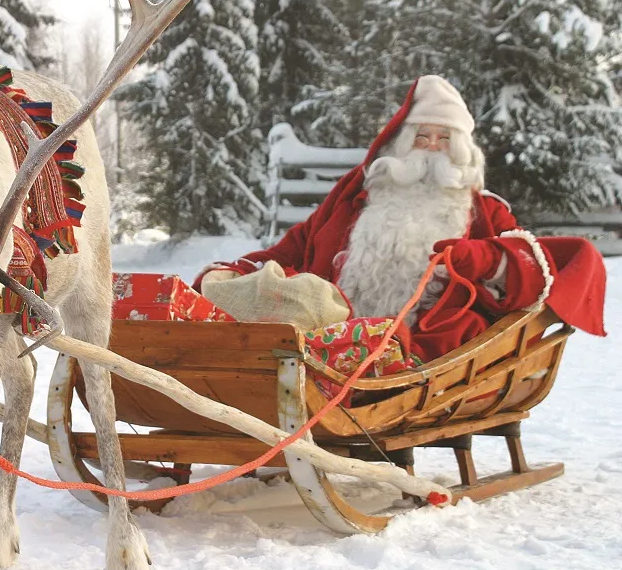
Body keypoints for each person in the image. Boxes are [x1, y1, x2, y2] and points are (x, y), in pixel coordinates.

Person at [196, 75, 607, 363]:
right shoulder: (357, 195)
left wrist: (479, 257)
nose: (431, 148)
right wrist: (239, 272)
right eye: (421, 137)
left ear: (462, 148)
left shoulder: (483, 209)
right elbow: (298, 245)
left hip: (424, 347)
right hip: (326, 337)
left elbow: (527, 267)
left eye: (444, 138)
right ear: (400, 143)